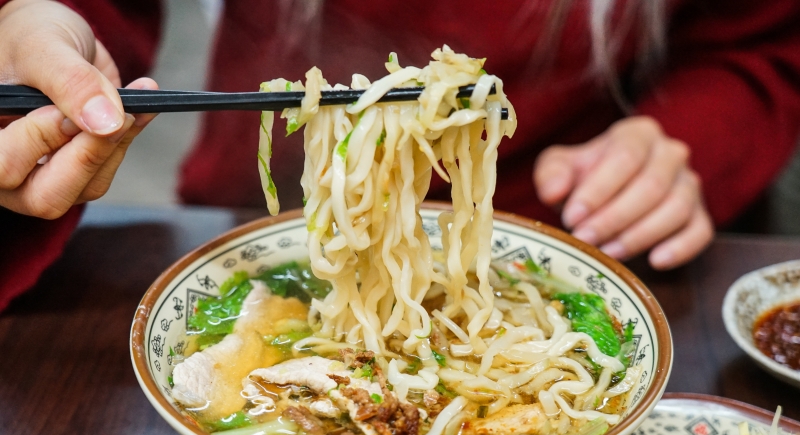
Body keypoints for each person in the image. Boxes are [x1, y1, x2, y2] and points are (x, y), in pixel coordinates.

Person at [1, 0, 799, 312]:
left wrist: (687, 133)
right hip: (262, 217)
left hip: (576, 237)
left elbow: (763, 37)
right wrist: (42, 20)